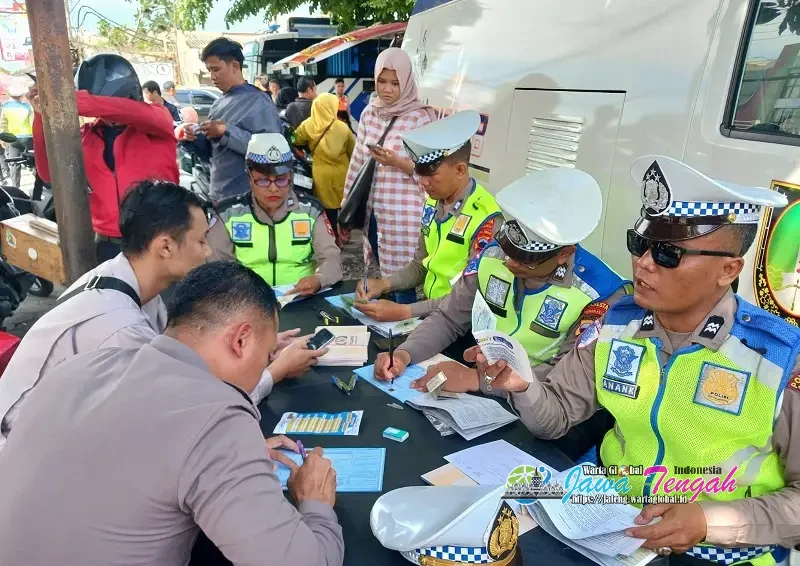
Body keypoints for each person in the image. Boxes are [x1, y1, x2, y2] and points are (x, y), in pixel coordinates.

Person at [469, 156, 800, 562]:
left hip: (721, 550)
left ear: (728, 270)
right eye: (639, 244)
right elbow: (554, 420)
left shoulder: (781, 358)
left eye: (666, 254)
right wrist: (522, 385)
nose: (643, 262)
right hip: (608, 522)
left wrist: (709, 521)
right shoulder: (615, 324)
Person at [0, 262, 345, 566]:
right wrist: (315, 502)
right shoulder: (218, 420)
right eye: (267, 354)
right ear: (241, 340)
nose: (264, 367)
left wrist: (223, 463)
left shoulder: (82, 365)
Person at [376, 169, 630, 463]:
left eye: (525, 258)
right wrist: (406, 354)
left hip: (554, 414)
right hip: (493, 392)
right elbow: (448, 318)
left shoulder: (602, 296)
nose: (509, 261)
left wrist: (478, 379)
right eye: (509, 248)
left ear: (564, 254)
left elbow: (562, 385)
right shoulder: (494, 255)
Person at [354, 111, 501, 322]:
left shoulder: (486, 218)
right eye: (420, 175)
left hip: (463, 326)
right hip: (435, 316)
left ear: (460, 170)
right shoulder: (433, 201)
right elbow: (420, 264)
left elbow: (467, 296)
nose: (423, 183)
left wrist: (406, 311)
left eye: (431, 176)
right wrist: (384, 284)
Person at [31, 54, 179, 263]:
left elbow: (126, 111)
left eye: (102, 101)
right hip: (108, 245)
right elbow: (48, 173)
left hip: (161, 239)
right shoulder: (87, 135)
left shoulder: (157, 120)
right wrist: (40, 115)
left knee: (168, 297)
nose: (101, 110)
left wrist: (69, 101)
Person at [341, 48, 436, 297]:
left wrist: (397, 162)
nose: (387, 89)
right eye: (382, 82)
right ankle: (388, 330)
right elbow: (357, 163)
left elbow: (432, 172)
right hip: (374, 213)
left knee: (403, 281)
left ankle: (405, 329)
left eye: (395, 83)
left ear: (406, 82)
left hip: (406, 217)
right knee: (381, 276)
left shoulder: (420, 118)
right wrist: (345, 207)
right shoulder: (369, 114)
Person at [208, 133, 342, 294]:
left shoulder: (310, 211)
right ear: (249, 177)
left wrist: (319, 279)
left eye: (281, 180)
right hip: (246, 300)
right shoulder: (228, 214)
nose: (273, 189)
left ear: (291, 176)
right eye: (263, 180)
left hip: (301, 299)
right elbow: (215, 268)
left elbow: (331, 258)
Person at [181, 37, 282, 200]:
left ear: (235, 66)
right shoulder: (218, 103)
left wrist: (226, 131)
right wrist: (194, 139)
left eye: (216, 69)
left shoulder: (259, 101)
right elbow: (213, 152)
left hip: (249, 198)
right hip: (219, 193)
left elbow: (272, 151)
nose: (212, 77)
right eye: (209, 71)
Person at [294, 93, 355, 240]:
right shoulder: (342, 128)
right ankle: (344, 233)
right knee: (342, 205)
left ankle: (332, 237)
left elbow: (295, 139)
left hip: (320, 174)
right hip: (342, 173)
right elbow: (353, 151)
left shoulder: (308, 125)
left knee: (327, 210)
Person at [0, 84, 33, 188]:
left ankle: (15, 187)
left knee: (14, 163)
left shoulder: (5, 108)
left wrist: (3, 140)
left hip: (13, 138)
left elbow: (3, 125)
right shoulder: (27, 107)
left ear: (10, 95)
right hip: (28, 137)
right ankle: (40, 186)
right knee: (34, 161)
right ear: (21, 96)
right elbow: (32, 122)